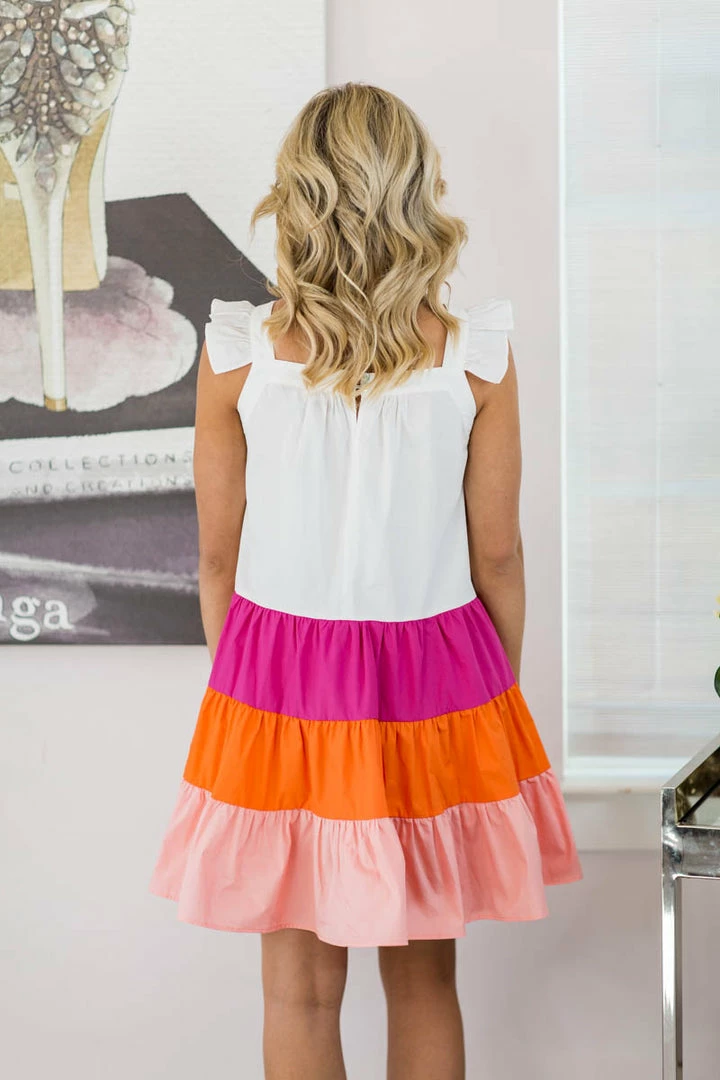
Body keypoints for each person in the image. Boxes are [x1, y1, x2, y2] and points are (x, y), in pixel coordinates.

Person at [150, 81, 583, 1080]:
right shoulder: (476, 357)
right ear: (414, 191)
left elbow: (216, 557)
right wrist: (493, 694)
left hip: (277, 682)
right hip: (435, 683)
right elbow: (499, 556)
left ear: (296, 195)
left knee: (298, 992)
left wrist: (242, 684)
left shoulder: (236, 355)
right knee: (424, 985)